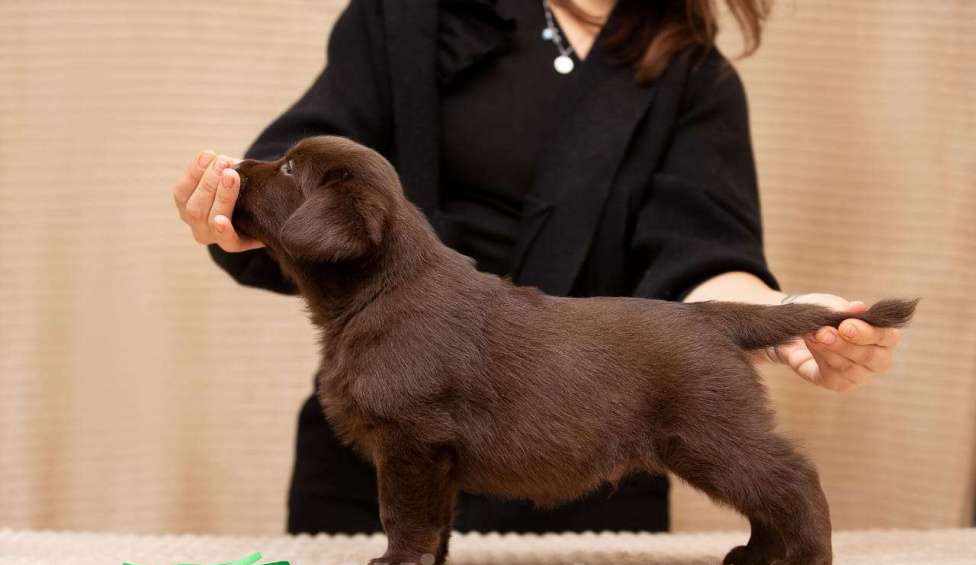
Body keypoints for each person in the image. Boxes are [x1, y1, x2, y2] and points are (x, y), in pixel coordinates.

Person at [172, 0, 903, 535]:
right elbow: (305, 189)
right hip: (379, 472)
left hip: (582, 463)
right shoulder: (406, 16)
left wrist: (782, 321)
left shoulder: (694, 80)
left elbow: (703, 259)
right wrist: (233, 212)